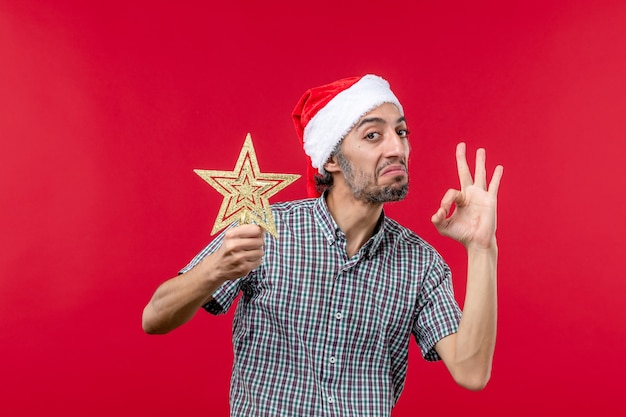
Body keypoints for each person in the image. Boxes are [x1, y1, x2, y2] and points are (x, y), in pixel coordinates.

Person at [142, 74, 503, 416]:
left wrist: (482, 248)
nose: (398, 147)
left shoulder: (420, 263)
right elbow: (154, 317)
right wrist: (214, 269)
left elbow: (471, 372)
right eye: (374, 135)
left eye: (402, 131)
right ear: (331, 159)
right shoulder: (267, 229)